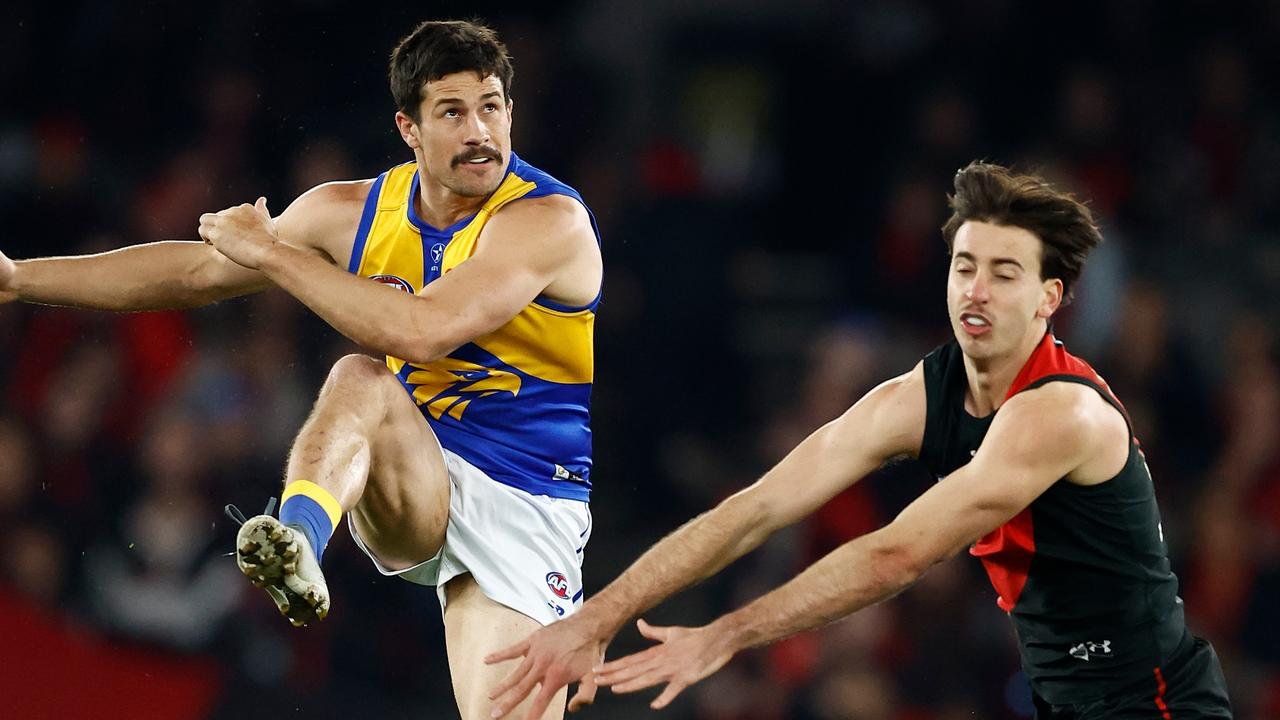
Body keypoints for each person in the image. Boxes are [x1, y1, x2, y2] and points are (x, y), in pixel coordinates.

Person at [0, 19, 601, 720]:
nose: (480, 131)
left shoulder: (548, 220)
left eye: (492, 106)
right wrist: (17, 278)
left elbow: (423, 330)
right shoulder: (353, 211)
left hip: (528, 502)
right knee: (359, 379)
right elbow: (195, 273)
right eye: (453, 112)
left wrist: (277, 256)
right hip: (415, 476)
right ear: (409, 127)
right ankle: (299, 542)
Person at [487, 162, 1233, 719]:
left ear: (1050, 298)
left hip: (1152, 700)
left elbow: (897, 555)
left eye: (1004, 273)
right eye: (964, 266)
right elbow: (754, 508)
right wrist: (597, 616)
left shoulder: (1059, 414)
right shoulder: (917, 398)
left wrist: (725, 634)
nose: (975, 289)